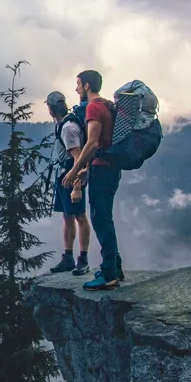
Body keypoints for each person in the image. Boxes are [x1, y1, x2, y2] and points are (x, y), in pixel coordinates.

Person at [62, 70, 124, 291]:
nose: (76, 88)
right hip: (111, 168)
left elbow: (93, 143)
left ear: (87, 86)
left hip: (102, 171)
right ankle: (114, 268)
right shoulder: (108, 105)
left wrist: (75, 170)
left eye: (78, 84)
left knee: (101, 221)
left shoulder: (94, 107)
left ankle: (109, 275)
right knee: (105, 219)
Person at [45, 91, 91, 276]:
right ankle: (68, 257)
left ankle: (83, 260)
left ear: (51, 108)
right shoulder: (62, 123)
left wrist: (77, 187)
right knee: (67, 215)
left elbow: (78, 158)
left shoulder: (68, 128)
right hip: (64, 175)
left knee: (80, 216)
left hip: (72, 176)